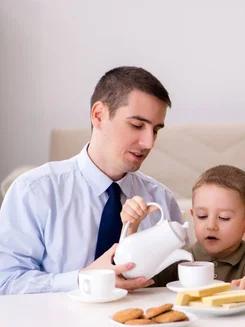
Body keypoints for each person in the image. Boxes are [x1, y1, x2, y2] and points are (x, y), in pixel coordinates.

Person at [0, 66, 183, 295]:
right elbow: (6, 283)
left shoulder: (162, 200)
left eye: (155, 130)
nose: (149, 143)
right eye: (137, 125)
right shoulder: (34, 192)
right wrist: (83, 279)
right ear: (99, 115)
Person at [140, 165, 245, 298]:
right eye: (202, 216)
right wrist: (131, 227)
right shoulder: (180, 259)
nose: (211, 225)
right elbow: (138, 282)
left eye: (224, 217)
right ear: (193, 217)